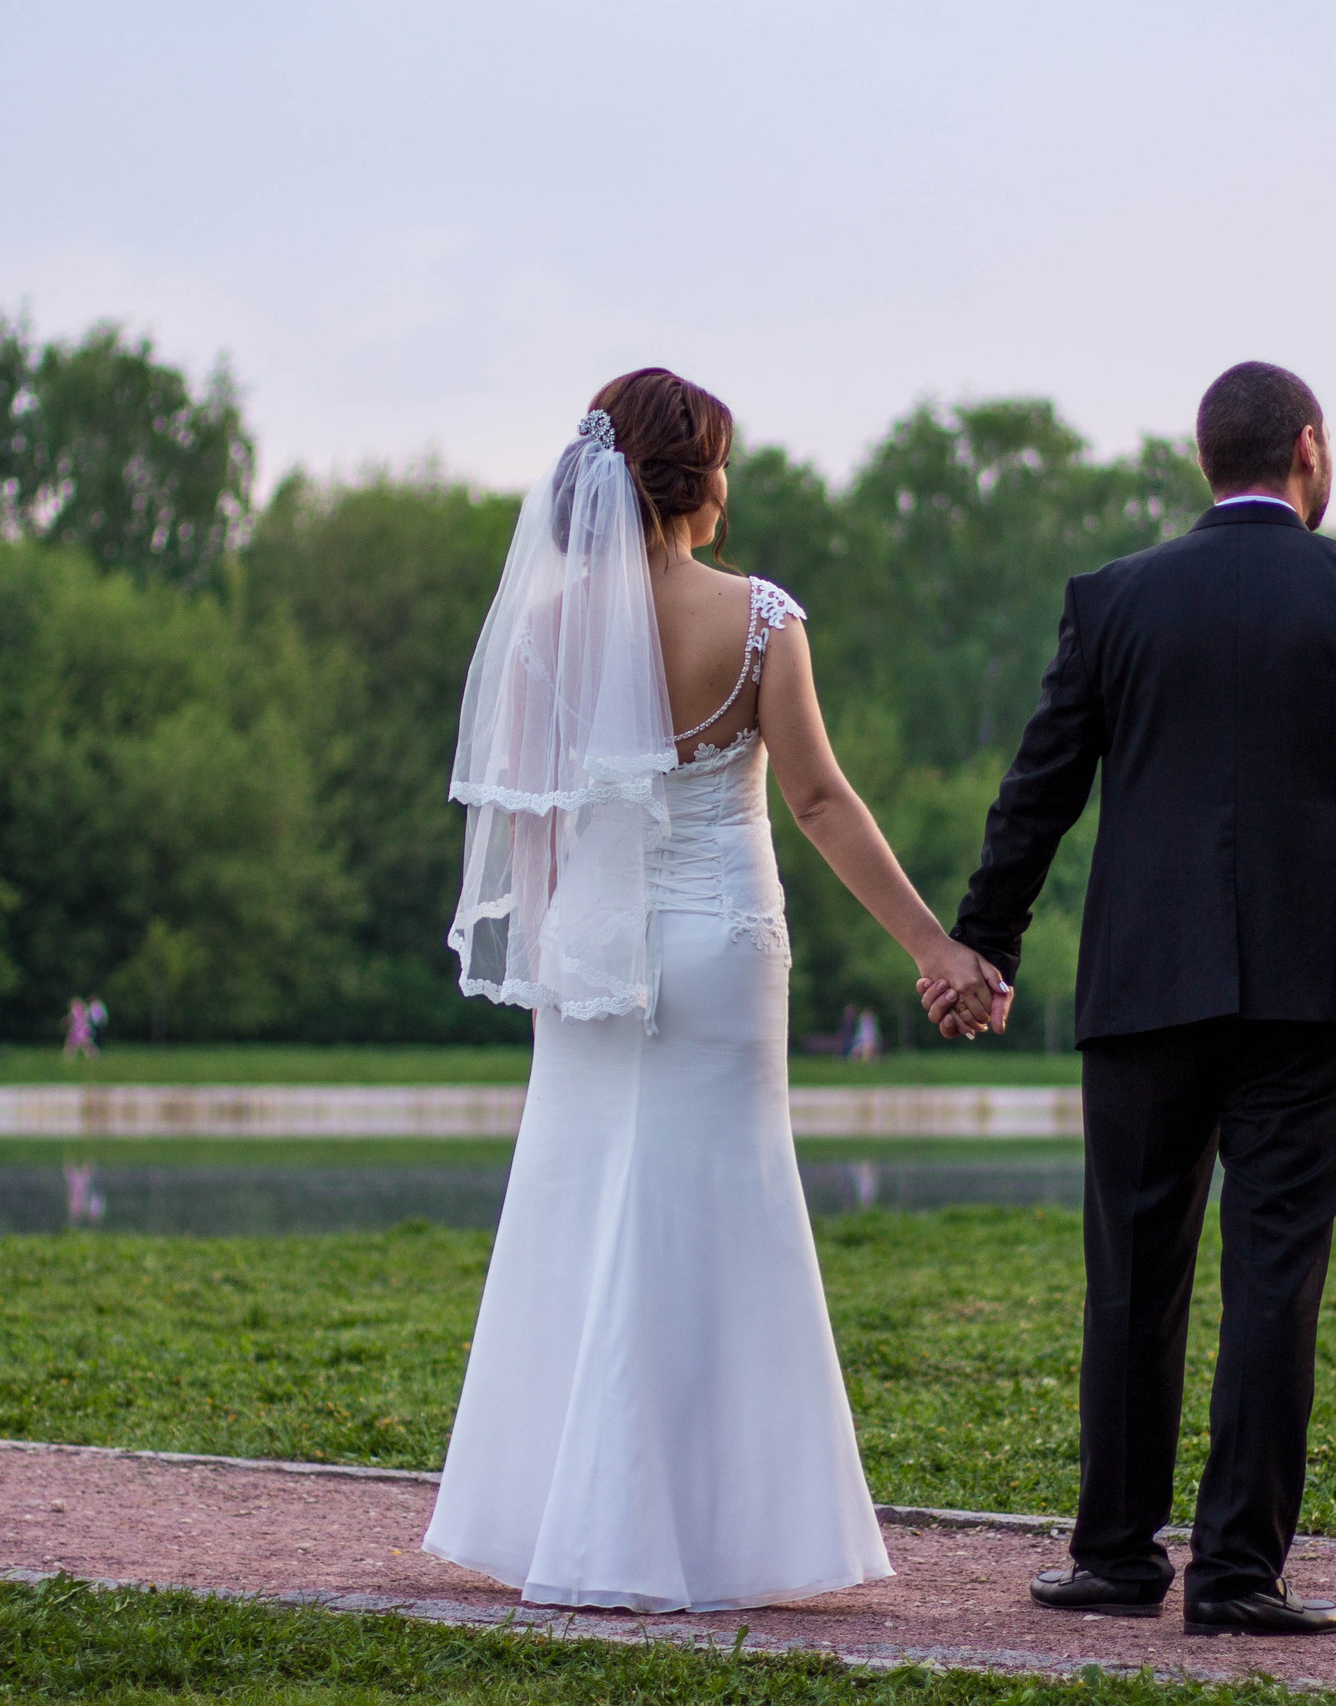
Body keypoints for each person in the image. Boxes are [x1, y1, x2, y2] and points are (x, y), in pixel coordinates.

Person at [423, 369, 1005, 1613]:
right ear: (695, 481)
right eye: (722, 460)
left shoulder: (543, 631)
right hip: (723, 944)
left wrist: (569, 948)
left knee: (583, 1208)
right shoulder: (758, 618)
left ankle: (564, 1520)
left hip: (592, 955)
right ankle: (721, 1531)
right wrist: (933, 947)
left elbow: (534, 827)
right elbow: (819, 801)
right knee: (721, 1214)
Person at [924, 362, 1336, 1638]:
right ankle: (1236, 1573)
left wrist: (983, 940)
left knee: (1131, 1269)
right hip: (1318, 990)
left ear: (1204, 457)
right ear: (1308, 450)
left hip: (1144, 982)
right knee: (1275, 1274)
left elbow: (1039, 785)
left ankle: (1115, 1556)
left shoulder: (1113, 598)